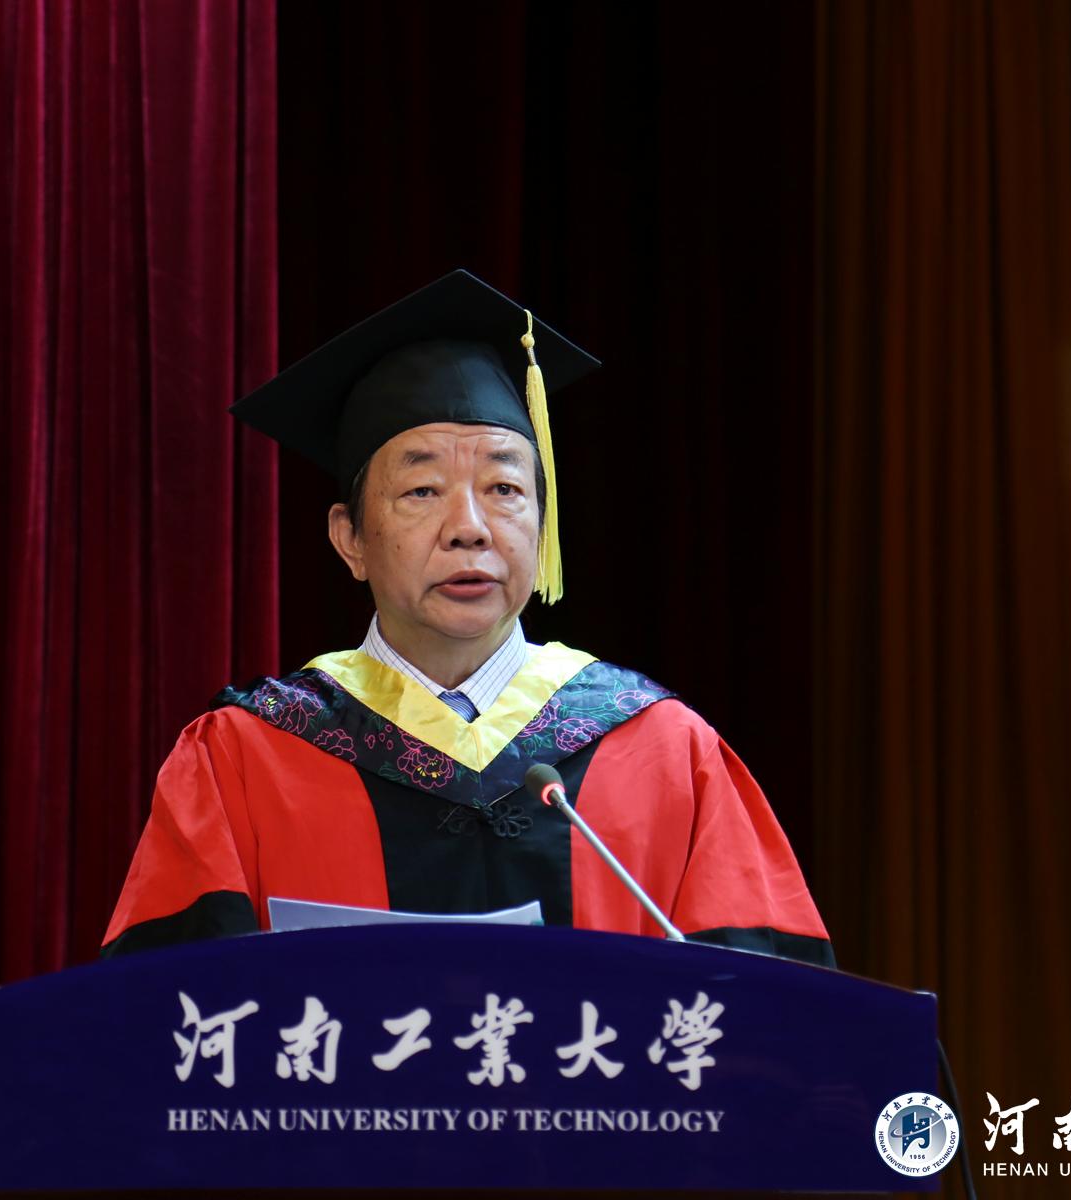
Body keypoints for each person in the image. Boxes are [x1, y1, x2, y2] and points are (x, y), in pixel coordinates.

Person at [101, 270, 833, 967]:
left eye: (504, 488)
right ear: (350, 539)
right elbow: (167, 1018)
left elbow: (773, 1019)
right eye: (422, 491)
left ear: (542, 524)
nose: (470, 528)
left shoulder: (665, 752)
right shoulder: (244, 759)